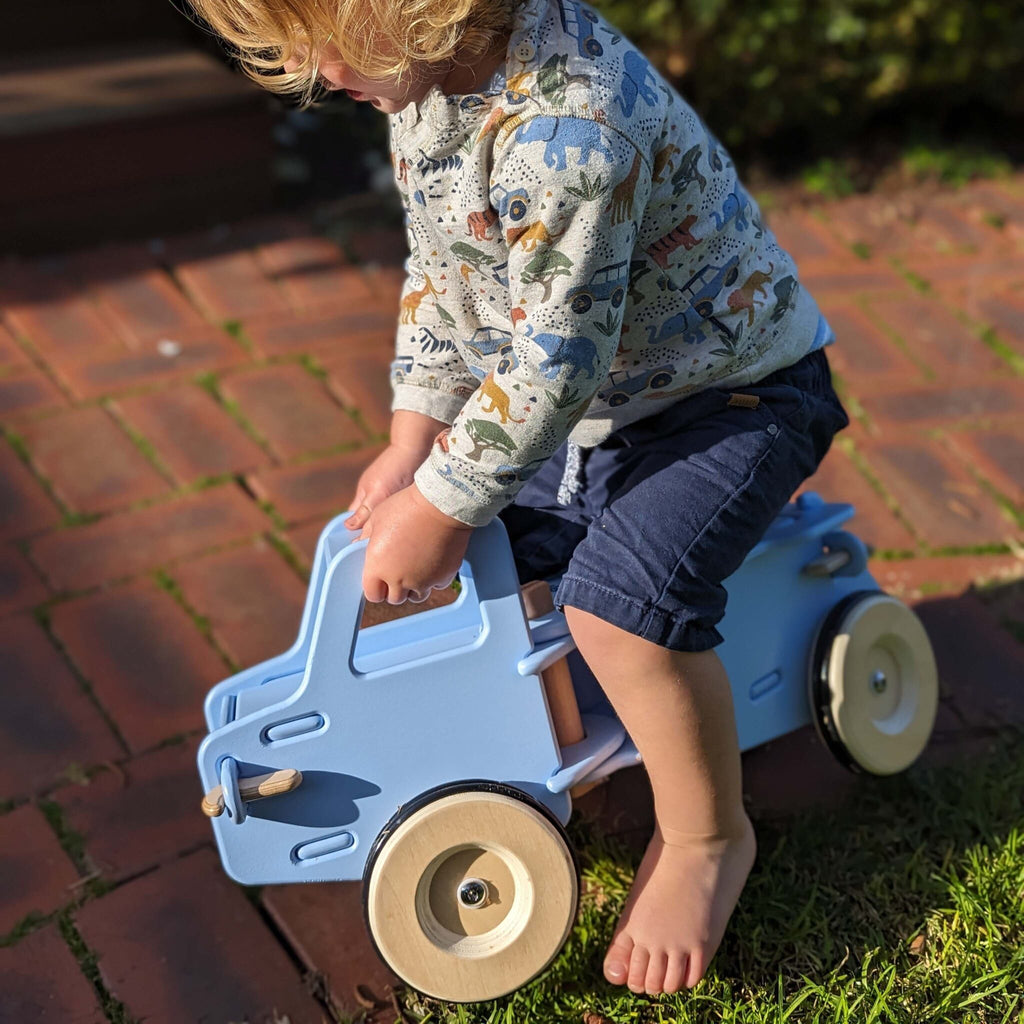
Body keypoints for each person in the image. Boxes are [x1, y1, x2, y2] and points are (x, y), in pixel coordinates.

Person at [186, 0, 850, 995]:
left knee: (619, 614)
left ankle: (709, 833)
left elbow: (551, 368)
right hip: (597, 406)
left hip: (728, 397)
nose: (318, 79)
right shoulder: (423, 84)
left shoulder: (568, 131)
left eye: (320, 46)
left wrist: (447, 498)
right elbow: (442, 273)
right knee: (509, 563)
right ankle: (548, 743)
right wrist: (416, 437)